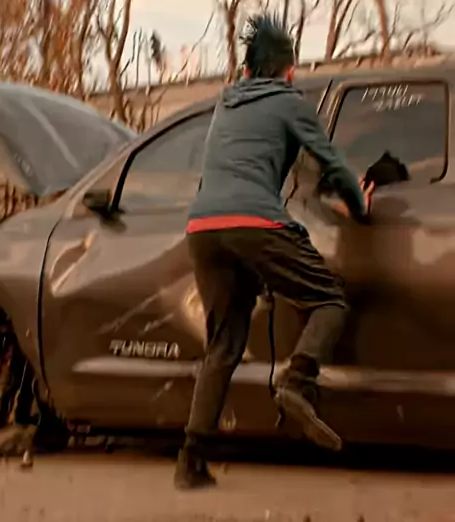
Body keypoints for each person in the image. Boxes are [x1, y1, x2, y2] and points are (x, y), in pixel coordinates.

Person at [174, 13, 374, 491]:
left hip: (203, 227)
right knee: (329, 299)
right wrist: (359, 206)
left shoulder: (225, 105)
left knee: (223, 344)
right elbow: (332, 164)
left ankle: (190, 462)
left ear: (246, 70)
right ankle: (297, 380)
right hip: (255, 221)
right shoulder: (290, 102)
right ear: (289, 71)